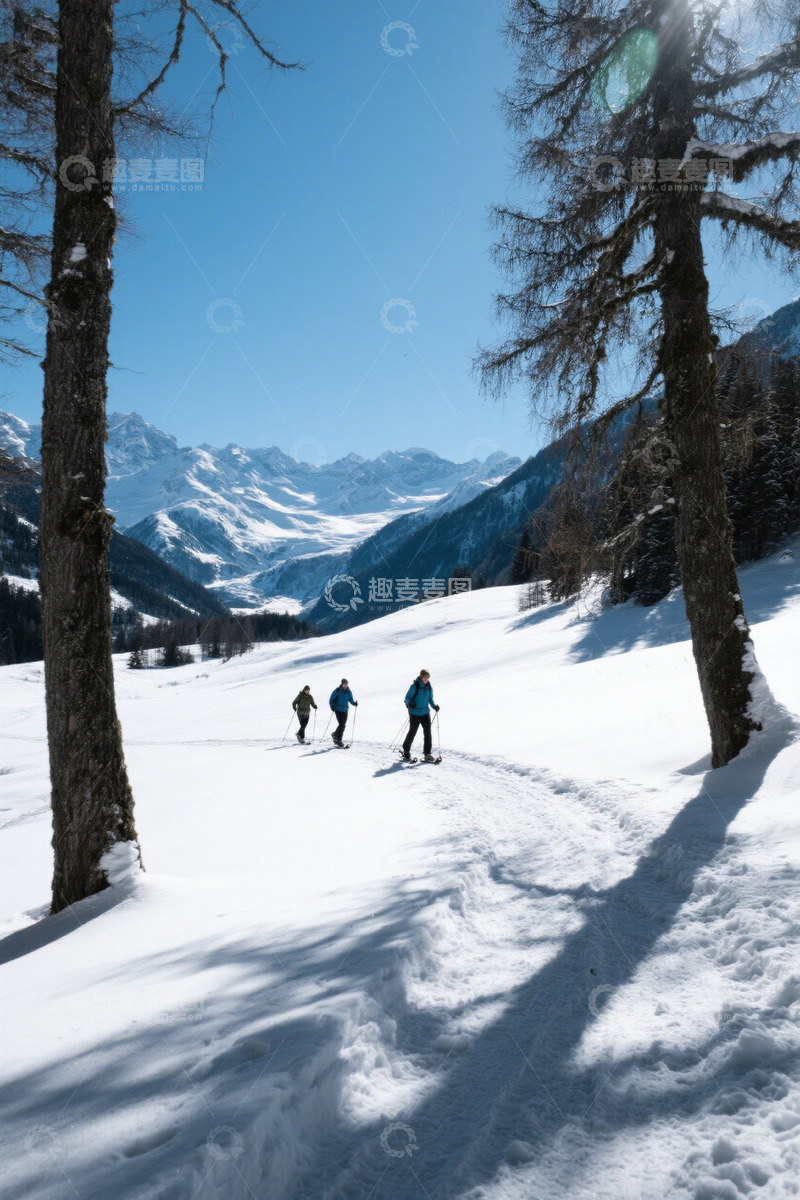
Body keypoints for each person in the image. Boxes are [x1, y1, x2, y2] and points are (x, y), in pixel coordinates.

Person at [401, 669, 439, 761]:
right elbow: (407, 698)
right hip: (415, 713)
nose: (427, 679)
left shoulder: (429, 687)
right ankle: (406, 751)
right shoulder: (415, 686)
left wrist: (435, 706)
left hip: (425, 713)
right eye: (426, 677)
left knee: (428, 733)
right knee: (412, 732)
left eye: (428, 677)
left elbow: (430, 699)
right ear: (421, 677)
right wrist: (411, 704)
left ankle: (427, 754)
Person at [329, 677, 357, 745]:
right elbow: (331, 699)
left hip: (345, 710)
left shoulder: (348, 691)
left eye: (346, 684)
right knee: (341, 724)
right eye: (344, 684)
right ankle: (338, 740)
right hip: (338, 709)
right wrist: (332, 706)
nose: (345, 685)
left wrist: (354, 703)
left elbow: (350, 699)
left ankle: (335, 735)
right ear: (341, 684)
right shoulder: (337, 691)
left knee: (343, 725)